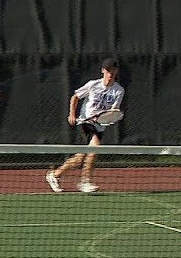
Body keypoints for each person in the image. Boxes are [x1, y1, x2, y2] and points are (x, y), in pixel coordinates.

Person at [46, 58, 125, 193]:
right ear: (103, 71)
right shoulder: (93, 85)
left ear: (116, 71)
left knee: (81, 157)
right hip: (85, 123)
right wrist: (72, 114)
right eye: (107, 70)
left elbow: (114, 111)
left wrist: (103, 118)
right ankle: (85, 181)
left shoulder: (119, 90)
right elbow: (75, 97)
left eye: (113, 70)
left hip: (100, 125)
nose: (110, 73)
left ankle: (54, 175)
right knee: (95, 147)